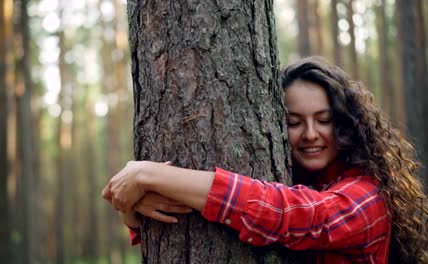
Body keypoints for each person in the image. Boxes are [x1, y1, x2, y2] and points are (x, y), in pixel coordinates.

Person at [102, 57, 427, 263]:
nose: (310, 134)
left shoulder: (368, 197)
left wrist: (148, 175)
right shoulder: (299, 181)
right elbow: (151, 236)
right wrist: (131, 206)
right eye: (294, 122)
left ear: (345, 124)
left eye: (324, 119)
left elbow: (297, 215)